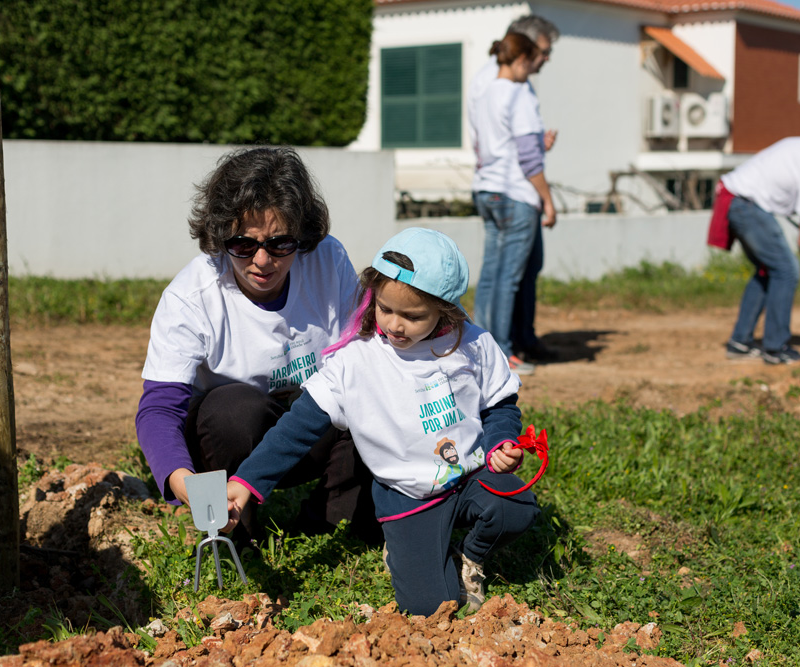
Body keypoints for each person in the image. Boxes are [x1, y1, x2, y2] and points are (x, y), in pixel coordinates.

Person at [225, 228, 541, 617]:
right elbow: (296, 429)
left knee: (517, 505)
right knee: (432, 609)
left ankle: (470, 557)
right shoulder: (354, 362)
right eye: (385, 308)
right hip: (408, 497)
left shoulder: (472, 344)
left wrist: (499, 444)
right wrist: (247, 482)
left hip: (470, 476)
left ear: (445, 310)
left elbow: (501, 407)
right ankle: (412, 550)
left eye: (412, 316)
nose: (394, 324)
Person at [135, 146, 377, 545]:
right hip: (232, 437)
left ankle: (328, 524)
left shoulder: (327, 260)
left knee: (367, 394)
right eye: (243, 244)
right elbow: (159, 408)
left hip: (309, 429)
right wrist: (182, 481)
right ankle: (238, 531)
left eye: (281, 243)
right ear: (219, 237)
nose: (262, 260)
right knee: (232, 412)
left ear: (303, 234)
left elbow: (367, 355)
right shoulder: (191, 297)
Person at [707, 134, 800, 364]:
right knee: (786, 270)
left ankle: (739, 342)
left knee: (768, 271)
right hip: (746, 203)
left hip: (737, 198)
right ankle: (775, 348)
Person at [469, 15, 561, 366]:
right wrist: (549, 201)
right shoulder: (518, 91)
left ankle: (487, 347)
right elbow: (526, 157)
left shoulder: (486, 85)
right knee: (509, 277)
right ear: (524, 54)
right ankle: (505, 350)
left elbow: (491, 142)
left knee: (493, 273)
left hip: (487, 187)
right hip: (516, 192)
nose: (544, 61)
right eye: (542, 53)